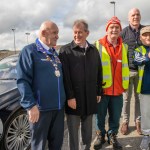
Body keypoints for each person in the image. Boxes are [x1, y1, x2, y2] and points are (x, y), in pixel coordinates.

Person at [17, 21, 66, 150]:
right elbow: (23, 81)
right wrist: (31, 106)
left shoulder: (54, 53)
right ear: (44, 32)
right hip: (40, 111)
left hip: (58, 109)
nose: (57, 36)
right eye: (55, 33)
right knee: (39, 146)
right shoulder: (29, 51)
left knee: (57, 145)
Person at [59, 19, 103, 150]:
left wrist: (98, 91)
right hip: (74, 99)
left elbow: (99, 71)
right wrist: (70, 96)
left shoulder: (94, 50)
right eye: (75, 32)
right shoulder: (65, 51)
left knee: (87, 131)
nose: (77, 35)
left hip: (90, 97)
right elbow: (65, 77)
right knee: (73, 132)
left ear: (87, 33)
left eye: (80, 32)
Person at [94, 16, 129, 150]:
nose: (114, 30)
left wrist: (125, 85)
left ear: (120, 30)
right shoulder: (98, 45)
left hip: (118, 89)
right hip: (102, 90)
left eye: (117, 27)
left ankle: (112, 135)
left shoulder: (124, 46)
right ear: (107, 29)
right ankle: (100, 135)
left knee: (115, 116)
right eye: (112, 27)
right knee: (100, 116)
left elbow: (125, 66)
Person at [120, 8, 144, 135]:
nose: (135, 17)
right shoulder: (123, 33)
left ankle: (138, 122)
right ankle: (125, 122)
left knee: (139, 98)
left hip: (142, 72)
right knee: (126, 99)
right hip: (127, 71)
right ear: (129, 18)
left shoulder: (146, 31)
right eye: (133, 15)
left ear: (140, 16)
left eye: (137, 14)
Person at [134, 26, 150, 150]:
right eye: (145, 35)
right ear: (140, 38)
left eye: (149, 34)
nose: (148, 37)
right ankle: (146, 135)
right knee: (145, 114)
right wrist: (148, 57)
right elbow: (138, 60)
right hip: (145, 88)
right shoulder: (138, 49)